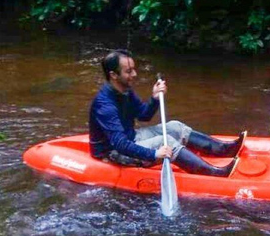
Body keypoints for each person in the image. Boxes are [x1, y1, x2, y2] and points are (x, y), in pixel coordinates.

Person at [89, 49, 245, 177]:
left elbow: (144, 115)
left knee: (175, 127)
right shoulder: (105, 105)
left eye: (133, 69)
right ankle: (214, 174)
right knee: (167, 142)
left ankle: (224, 149)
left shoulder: (124, 91)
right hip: (113, 152)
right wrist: (155, 154)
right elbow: (121, 144)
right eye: (128, 71)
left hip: (130, 137)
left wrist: (155, 98)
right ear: (113, 75)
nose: (134, 74)